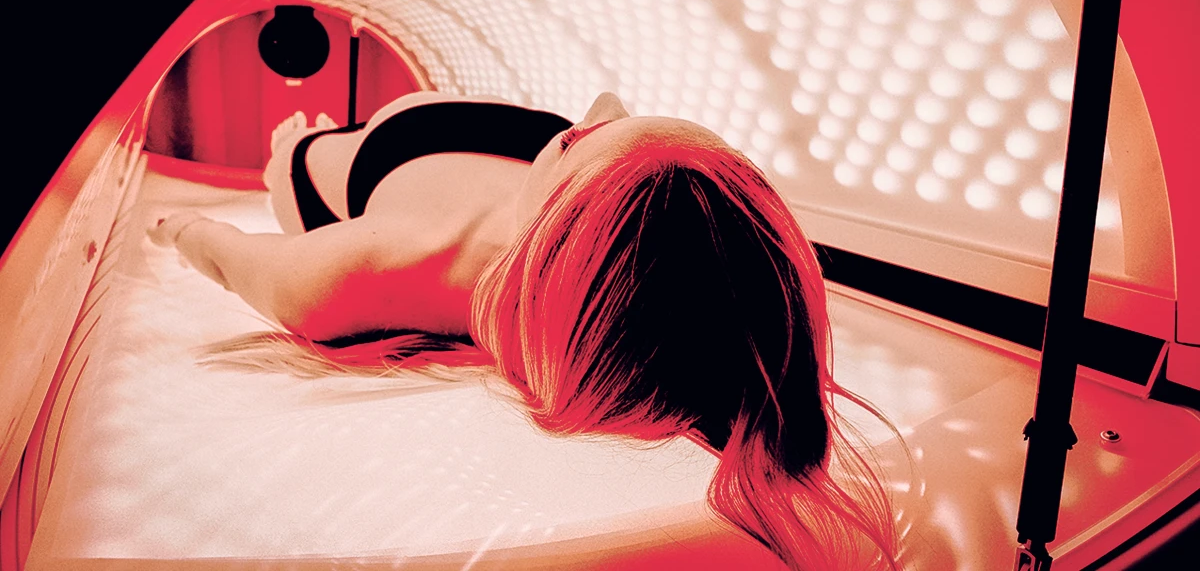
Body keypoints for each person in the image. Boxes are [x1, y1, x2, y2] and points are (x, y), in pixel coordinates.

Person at [149, 90, 903, 570]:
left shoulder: (394, 260)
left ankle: (300, 145)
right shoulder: (659, 209)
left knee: (295, 151)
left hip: (371, 160)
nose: (600, 113)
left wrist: (181, 225)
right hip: (549, 161)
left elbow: (236, 257)